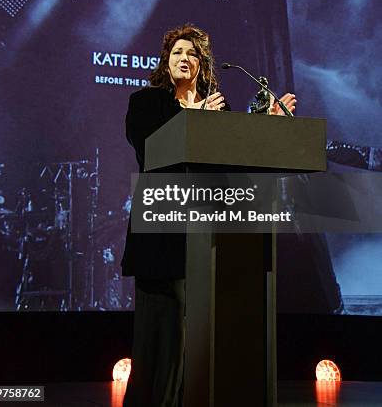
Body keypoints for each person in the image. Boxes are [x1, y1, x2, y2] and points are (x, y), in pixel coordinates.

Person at [121, 24, 296, 407]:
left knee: (206, 345)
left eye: (192, 54)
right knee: (164, 346)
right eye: (177, 53)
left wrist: (267, 127)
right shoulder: (146, 102)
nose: (185, 59)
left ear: (203, 64)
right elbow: (149, 149)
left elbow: (237, 163)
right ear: (166, 63)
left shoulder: (219, 107)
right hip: (162, 240)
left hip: (213, 240)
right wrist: (195, 117)